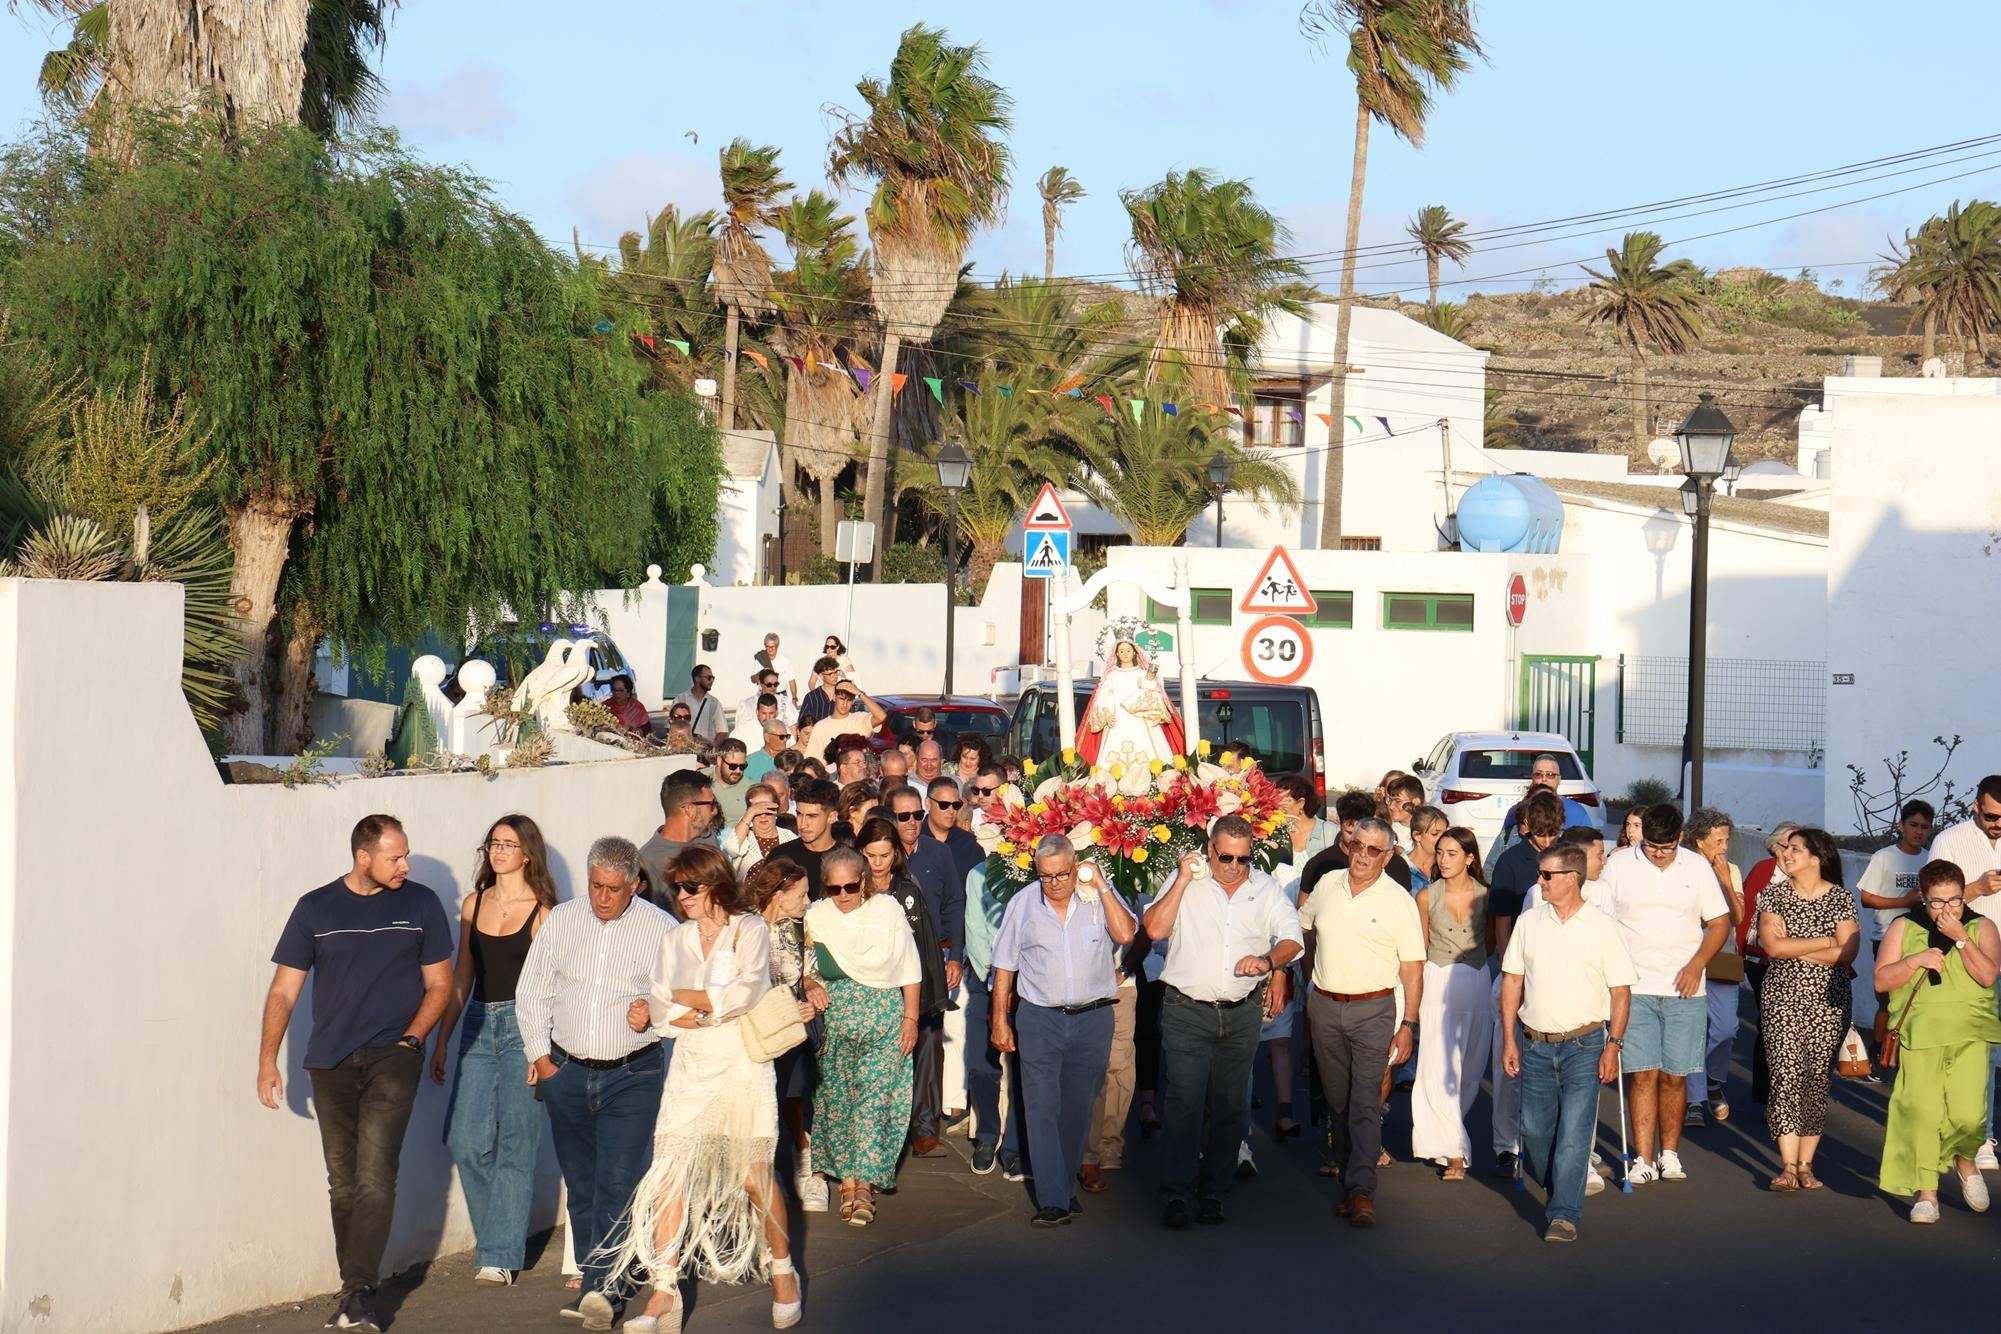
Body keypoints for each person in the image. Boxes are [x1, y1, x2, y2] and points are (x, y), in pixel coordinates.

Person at [258, 815, 454, 1333]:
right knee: (343, 1183)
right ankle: (354, 1290)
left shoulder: (421, 904)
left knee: (374, 1176)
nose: (405, 865)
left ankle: (359, 1291)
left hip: (394, 1056)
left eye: (407, 854)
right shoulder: (316, 908)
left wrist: (412, 1039)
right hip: (331, 1063)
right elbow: (283, 991)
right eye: (396, 857)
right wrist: (266, 1061)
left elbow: (440, 984)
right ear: (363, 857)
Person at [600, 845, 800, 1332]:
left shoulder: (748, 929)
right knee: (670, 1175)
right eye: (677, 888)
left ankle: (782, 1269)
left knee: (754, 1177)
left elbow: (747, 991)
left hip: (742, 1065)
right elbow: (659, 1005)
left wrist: (690, 1005)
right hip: (690, 1067)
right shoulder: (676, 939)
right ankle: (663, 1290)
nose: (682, 896)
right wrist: (682, 1005)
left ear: (714, 885)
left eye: (691, 887)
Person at [515, 837, 675, 1329]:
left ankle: (598, 1288)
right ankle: (605, 1275)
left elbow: (680, 1006)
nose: (602, 897)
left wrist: (653, 1013)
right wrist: (542, 1062)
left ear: (635, 884)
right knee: (582, 1185)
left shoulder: (660, 929)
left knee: (617, 1181)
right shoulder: (562, 921)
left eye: (613, 888)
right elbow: (532, 992)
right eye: (595, 886)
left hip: (633, 1073)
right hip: (566, 1071)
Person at [1143, 816, 1303, 1229]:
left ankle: (1214, 1191)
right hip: (1187, 1009)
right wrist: (1180, 880)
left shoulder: (1263, 888)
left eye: (1243, 858)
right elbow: (1154, 927)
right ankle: (1176, 1193)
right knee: (1184, 1104)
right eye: (1226, 856)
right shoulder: (1189, 881)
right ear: (1210, 850)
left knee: (1230, 1107)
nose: (1234, 866)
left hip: (1241, 1012)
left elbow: (1292, 938)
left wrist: (1270, 963)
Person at [433, 815, 557, 1285]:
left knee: (516, 1144)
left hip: (525, 1028)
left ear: (527, 853)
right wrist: (444, 1036)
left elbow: (550, 986)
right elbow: (462, 975)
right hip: (479, 1025)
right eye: (494, 843)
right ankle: (498, 1240)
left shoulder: (544, 910)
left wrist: (540, 1048)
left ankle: (500, 1254)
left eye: (509, 844)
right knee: (465, 1141)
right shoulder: (474, 903)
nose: (499, 851)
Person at [990, 836, 1139, 1226]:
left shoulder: (1096, 898)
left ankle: (1063, 1188)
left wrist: (1102, 884)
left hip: (1093, 1018)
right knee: (1041, 1106)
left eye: (1062, 874)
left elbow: (1126, 935)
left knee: (1078, 1108)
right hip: (1040, 1018)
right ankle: (1053, 1198)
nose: (1054, 883)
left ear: (1077, 868)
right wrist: (999, 1020)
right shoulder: (1023, 903)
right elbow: (1004, 964)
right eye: (1046, 876)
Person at [1499, 842, 1635, 1244]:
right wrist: (1508, 1038)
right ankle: (1560, 1186)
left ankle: (1563, 1213)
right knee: (1536, 1133)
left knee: (1575, 1133)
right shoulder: (1529, 922)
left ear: (1572, 879)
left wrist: (1613, 1044)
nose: (1539, 882)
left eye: (1546, 875)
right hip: (1535, 1043)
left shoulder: (1603, 926)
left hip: (1585, 1044)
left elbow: (1621, 992)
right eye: (1539, 874)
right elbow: (1512, 980)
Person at [1298, 817, 1424, 1226]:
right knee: (1338, 1102)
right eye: (1357, 846)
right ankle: (1348, 1177)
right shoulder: (1328, 883)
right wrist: (1309, 981)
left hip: (1374, 1009)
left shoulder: (1398, 900)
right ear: (1348, 845)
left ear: (1387, 857)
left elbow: (1412, 968)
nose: (1362, 856)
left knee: (1365, 1100)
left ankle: (1362, 1190)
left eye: (1373, 850)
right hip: (1325, 1006)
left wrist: (1407, 1024)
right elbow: (1304, 930)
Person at [1597, 803, 1730, 1186]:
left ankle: (1668, 1153)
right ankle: (1642, 1157)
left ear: (1680, 838)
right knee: (1642, 1074)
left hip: (1685, 989)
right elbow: (1602, 915)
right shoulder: (1620, 865)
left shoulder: (1696, 867)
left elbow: (1719, 923)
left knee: (1675, 1076)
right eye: (1651, 846)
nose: (1657, 853)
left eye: (1666, 847)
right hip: (1634, 988)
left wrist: (1696, 965)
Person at [1876, 860, 2001, 1223]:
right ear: (1923, 899)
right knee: (1922, 1113)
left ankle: (1965, 1163)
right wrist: (1915, 960)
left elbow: (1988, 976)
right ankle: (1926, 1192)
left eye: (1954, 901)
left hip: (1970, 1033)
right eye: (1937, 902)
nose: (1947, 910)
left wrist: (1961, 938)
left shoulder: (1981, 926)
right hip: (1921, 1035)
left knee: (1968, 1112)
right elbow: (1882, 981)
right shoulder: (1904, 926)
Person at [806, 847, 922, 1227]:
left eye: (850, 886)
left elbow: (909, 966)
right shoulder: (815, 916)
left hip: (885, 1017)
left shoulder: (886, 911)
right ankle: (847, 1181)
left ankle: (865, 1186)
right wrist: (809, 983)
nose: (842, 896)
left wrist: (911, 1018)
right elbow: (798, 966)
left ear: (865, 881)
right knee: (838, 1098)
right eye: (834, 888)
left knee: (874, 1098)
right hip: (834, 1019)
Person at [1757, 826, 1859, 1192]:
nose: (1786, 854)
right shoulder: (1773, 896)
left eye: (1796, 849)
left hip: (1828, 1001)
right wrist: (1826, 941)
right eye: (1786, 849)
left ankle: (1806, 1164)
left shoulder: (1840, 898)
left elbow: (1848, 953)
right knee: (1785, 1075)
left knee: (1815, 1079)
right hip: (1781, 998)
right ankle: (1787, 1165)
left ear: (1816, 857)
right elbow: (1773, 948)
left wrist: (1795, 945)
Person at [858, 816, 951, 1156]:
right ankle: (876, 1135)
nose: (878, 864)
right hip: (868, 991)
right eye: (870, 855)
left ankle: (923, 1129)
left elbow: (925, 947)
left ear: (895, 854)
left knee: (923, 1053)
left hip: (912, 990)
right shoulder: (851, 889)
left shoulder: (908, 890)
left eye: (884, 855)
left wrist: (927, 999)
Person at [1486, 790, 1567, 1177]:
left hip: (1554, 977)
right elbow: (1502, 921)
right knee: (1508, 1064)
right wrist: (1506, 970)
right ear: (1525, 827)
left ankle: (1549, 1140)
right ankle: (1505, 1144)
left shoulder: (1568, 860)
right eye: (1540, 834)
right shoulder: (1510, 861)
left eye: (1553, 834)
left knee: (1548, 1068)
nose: (1547, 842)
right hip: (1517, 973)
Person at [1410, 827, 1493, 1181]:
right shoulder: (1427, 896)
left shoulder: (1487, 897)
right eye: (1440, 853)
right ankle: (1456, 1151)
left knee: (1470, 1069)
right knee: (1438, 1065)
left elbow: (1490, 942)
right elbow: (1421, 944)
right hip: (1438, 980)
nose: (1442, 860)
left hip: (1476, 979)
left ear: (1470, 858)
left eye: (1452, 853)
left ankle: (1448, 1135)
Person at [1926, 777, 2001, 1168]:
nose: (1998, 824)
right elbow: (1934, 904)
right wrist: (1976, 888)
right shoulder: (1949, 841)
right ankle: (1980, 1137)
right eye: (1991, 816)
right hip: (1969, 955)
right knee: (1980, 1051)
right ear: (1975, 806)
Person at [747, 859, 829, 1213]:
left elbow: (809, 972)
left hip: (789, 1030)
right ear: (778, 895)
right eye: (802, 894)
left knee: (796, 1093)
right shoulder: (746, 929)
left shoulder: (800, 928)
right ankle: (762, 1173)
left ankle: (805, 1164)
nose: (808, 901)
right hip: (752, 1031)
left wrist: (811, 989)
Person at [962, 851, 1031, 1180]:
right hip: (985, 980)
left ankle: (1015, 1148)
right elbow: (976, 936)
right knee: (981, 1064)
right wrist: (999, 987)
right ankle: (987, 1136)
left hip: (1030, 984)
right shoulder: (978, 874)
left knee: (1023, 1070)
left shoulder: (1037, 873)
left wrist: (1020, 983)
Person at [1683, 808, 1746, 1127]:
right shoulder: (1682, 865)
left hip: (1721, 957)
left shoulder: (1731, 870)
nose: (1724, 847)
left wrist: (1722, 878)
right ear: (1699, 840)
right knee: (1694, 1029)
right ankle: (1695, 1098)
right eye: (1718, 840)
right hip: (1686, 957)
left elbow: (1737, 916)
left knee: (1725, 1029)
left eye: (1726, 840)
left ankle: (1712, 1079)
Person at [1860, 803, 1937, 1064]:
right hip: (1885, 938)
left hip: (1921, 940)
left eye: (1924, 827)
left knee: (1915, 1001)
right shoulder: (1883, 857)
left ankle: (1905, 1053)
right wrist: (1904, 901)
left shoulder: (1931, 858)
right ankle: (1878, 1052)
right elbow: (1867, 898)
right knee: (1887, 1001)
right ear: (1901, 826)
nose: (1918, 832)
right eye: (1913, 825)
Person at [1740, 822, 1801, 1110]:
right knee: (1771, 1022)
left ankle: (1786, 1092)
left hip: (1795, 959)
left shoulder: (1806, 874)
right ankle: (1765, 1095)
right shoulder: (1764, 870)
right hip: (1759, 957)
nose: (1793, 851)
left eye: (1798, 846)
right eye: (1789, 845)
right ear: (1777, 847)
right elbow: (1745, 911)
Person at [1078, 635, 1186, 780]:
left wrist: (1150, 685)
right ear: (1116, 653)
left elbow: (1154, 695)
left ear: (1135, 652)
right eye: (1121, 651)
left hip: (1142, 722)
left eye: (1128, 650)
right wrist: (1106, 714)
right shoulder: (1111, 676)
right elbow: (1102, 698)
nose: (1125, 654)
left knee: (1151, 757)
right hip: (1117, 723)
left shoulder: (1143, 674)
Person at [639, 770, 719, 907]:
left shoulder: (708, 837)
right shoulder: (648, 861)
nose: (715, 811)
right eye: (711, 804)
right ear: (690, 809)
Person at [766, 777, 841, 897]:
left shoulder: (849, 859)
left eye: (812, 816)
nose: (802, 824)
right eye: (799, 814)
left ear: (832, 817)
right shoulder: (780, 857)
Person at [721, 782, 797, 879]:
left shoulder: (789, 837)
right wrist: (750, 813)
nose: (763, 815)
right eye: (757, 809)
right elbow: (731, 849)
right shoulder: (744, 836)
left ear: (776, 810)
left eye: (768, 809)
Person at [802, 680, 886, 760]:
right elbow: (813, 760)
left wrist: (860, 693)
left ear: (853, 701)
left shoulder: (860, 719)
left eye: (849, 700)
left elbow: (881, 716)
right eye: (841, 699)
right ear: (834, 697)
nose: (845, 704)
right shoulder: (820, 727)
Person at [1275, 775, 1341, 869]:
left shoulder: (1330, 832)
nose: (1278, 805)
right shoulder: (1275, 832)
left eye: (1282, 800)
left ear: (1301, 803)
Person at [672, 664, 726, 745]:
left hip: (706, 753)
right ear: (697, 678)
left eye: (713, 678)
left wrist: (712, 749)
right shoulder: (680, 699)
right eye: (709, 677)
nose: (711, 681)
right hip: (685, 750)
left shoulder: (715, 703)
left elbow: (722, 731)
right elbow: (670, 726)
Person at [753, 633, 800, 717]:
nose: (770, 649)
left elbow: (791, 680)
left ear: (777, 646)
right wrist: (760, 673)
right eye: (767, 646)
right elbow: (753, 680)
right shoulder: (760, 658)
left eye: (772, 647)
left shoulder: (785, 660)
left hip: (780, 695)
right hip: (764, 696)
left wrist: (794, 698)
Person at [711, 738, 754, 827]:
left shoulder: (750, 789)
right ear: (719, 761)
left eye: (742, 766)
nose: (738, 771)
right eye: (733, 766)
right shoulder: (699, 779)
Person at [795, 655, 843, 731]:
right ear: (820, 676)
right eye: (830, 674)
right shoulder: (811, 697)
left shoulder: (843, 696)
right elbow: (802, 724)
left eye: (836, 672)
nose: (835, 676)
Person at [1407, 805, 1449, 888]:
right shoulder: (1400, 867)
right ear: (1417, 836)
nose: (1442, 839)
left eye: (1444, 834)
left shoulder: (1446, 866)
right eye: (1435, 834)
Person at [732, 684, 783, 750]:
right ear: (757, 712)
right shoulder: (741, 732)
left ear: (777, 712)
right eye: (764, 713)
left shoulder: (783, 730)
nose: (767, 718)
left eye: (771, 713)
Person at [743, 718, 790, 785]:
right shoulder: (750, 762)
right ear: (767, 737)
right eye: (781, 737)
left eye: (787, 736)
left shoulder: (792, 758)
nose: (785, 740)